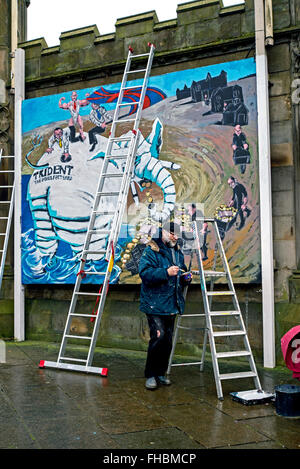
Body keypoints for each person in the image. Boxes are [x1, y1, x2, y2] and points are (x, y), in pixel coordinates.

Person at [138, 220, 192, 390]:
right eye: (171, 233)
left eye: (176, 234)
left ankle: (160, 373)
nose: (174, 236)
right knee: (159, 337)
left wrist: (186, 278)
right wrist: (166, 272)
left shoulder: (178, 252)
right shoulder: (152, 250)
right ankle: (150, 375)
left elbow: (181, 274)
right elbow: (145, 274)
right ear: (163, 232)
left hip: (171, 303)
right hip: (154, 304)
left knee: (167, 340)